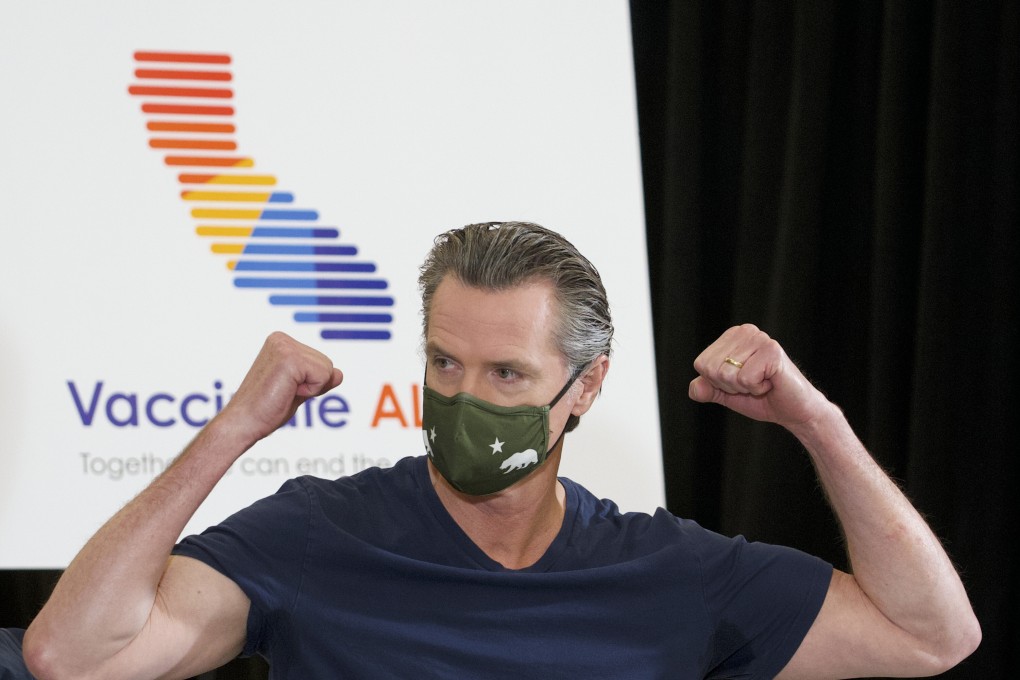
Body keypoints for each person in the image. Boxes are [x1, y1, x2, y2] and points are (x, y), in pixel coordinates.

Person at [24, 221, 979, 679]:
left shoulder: (669, 569)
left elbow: (933, 635)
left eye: (507, 376)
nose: (464, 400)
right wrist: (230, 431)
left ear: (586, 388)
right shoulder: (319, 535)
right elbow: (72, 657)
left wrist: (820, 423)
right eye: (445, 363)